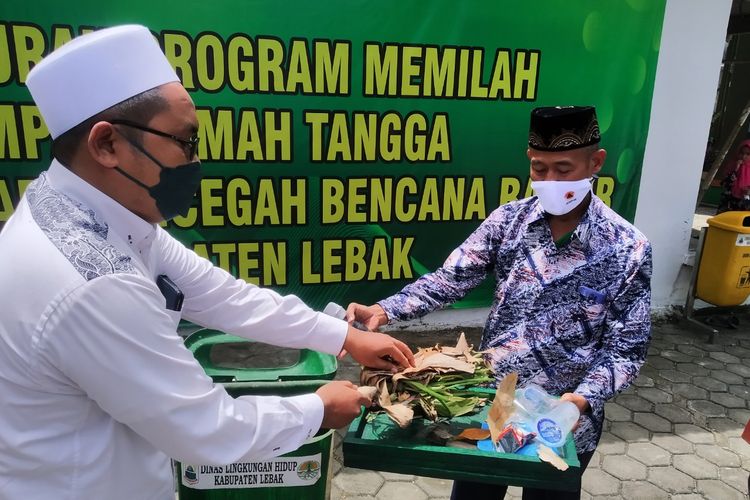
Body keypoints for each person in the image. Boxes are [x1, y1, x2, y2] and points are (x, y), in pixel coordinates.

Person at [0, 25, 414, 499]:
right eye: (184, 141)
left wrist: (345, 335)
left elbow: (224, 295)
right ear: (106, 145)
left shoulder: (95, 215)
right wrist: (318, 409)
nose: (195, 163)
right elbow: (208, 430)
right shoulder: (92, 280)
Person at [347, 106, 652, 500]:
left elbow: (626, 349)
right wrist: (386, 309)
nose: (550, 181)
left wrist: (582, 400)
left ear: (596, 162)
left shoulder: (627, 248)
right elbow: (450, 279)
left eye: (563, 169)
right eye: (539, 169)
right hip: (493, 409)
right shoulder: (508, 223)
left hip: (562, 424)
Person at [717, 139, 750, 213]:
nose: (744, 156)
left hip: (745, 203)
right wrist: (736, 168)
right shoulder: (732, 165)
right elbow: (725, 183)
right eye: (742, 153)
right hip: (729, 200)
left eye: (748, 154)